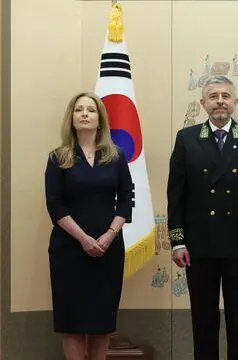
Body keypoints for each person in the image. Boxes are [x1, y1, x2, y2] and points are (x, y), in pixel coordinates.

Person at [167, 75, 238, 360]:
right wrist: (178, 241)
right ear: (203, 103)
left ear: (236, 102)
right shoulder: (186, 139)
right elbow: (175, 194)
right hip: (199, 246)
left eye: (226, 96)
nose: (220, 101)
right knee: (204, 319)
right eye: (213, 96)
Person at [45, 92, 134, 360]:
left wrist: (108, 235)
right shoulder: (58, 157)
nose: (85, 114)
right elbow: (55, 205)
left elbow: (126, 201)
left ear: (100, 119)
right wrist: (84, 238)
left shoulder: (116, 156)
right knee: (72, 322)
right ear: (71, 118)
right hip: (69, 250)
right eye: (79, 110)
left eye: (91, 110)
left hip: (108, 249)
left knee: (101, 322)